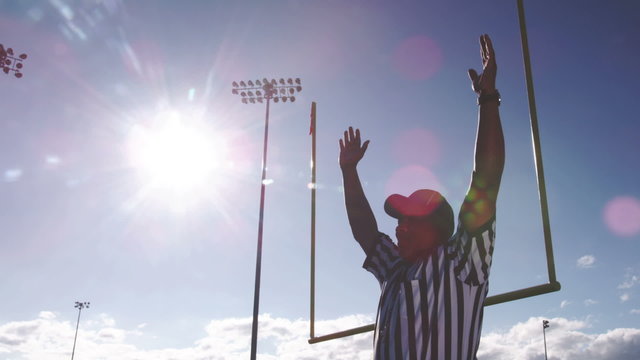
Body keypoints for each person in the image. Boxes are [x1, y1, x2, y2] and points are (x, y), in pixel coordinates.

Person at [339, 34, 504, 360]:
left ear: (437, 228)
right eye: (399, 221)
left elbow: (486, 179)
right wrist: (348, 171)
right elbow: (366, 232)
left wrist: (487, 100)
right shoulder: (394, 267)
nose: (399, 228)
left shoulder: (461, 262)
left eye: (410, 221)